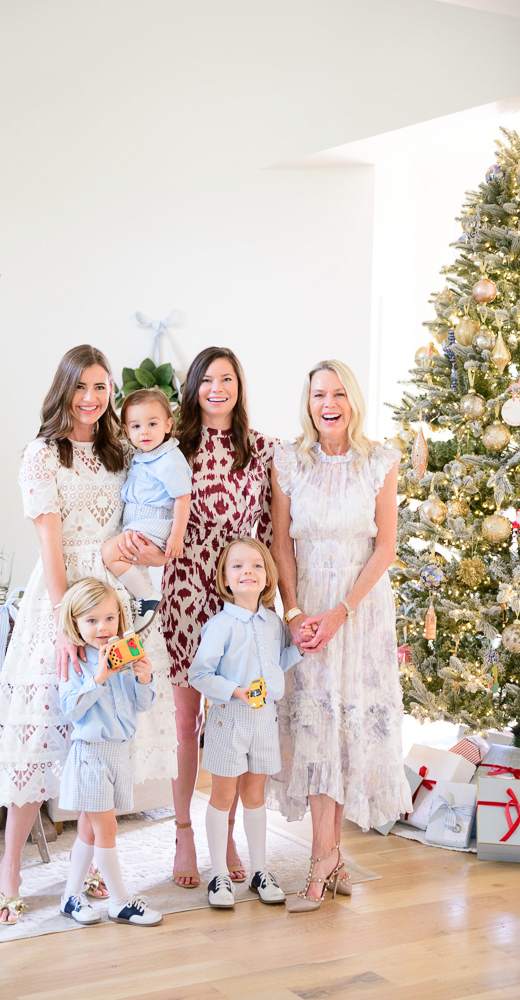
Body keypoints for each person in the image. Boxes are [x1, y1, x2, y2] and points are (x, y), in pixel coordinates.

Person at [0, 345, 176, 924]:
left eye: (101, 387)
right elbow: (51, 545)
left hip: (112, 602)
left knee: (99, 738)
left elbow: (138, 518)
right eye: (81, 387)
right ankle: (9, 872)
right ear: (63, 389)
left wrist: (136, 555)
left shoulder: (120, 453)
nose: (92, 399)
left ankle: (89, 870)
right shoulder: (42, 455)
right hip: (61, 603)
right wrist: (67, 621)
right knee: (40, 737)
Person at [267, 359, 412, 913]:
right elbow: (281, 543)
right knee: (318, 727)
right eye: (317, 395)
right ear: (308, 404)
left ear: (352, 399)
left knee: (347, 730)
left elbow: (386, 547)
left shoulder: (379, 461)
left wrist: (341, 613)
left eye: (337, 393)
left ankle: (323, 860)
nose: (327, 403)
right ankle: (328, 858)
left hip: (360, 611)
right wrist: (297, 610)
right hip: (306, 611)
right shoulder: (290, 462)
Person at [159, 347, 275, 888]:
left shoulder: (261, 450)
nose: (216, 388)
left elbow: (271, 530)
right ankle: (185, 833)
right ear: (193, 388)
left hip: (241, 596)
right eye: (206, 380)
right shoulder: (171, 446)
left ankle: (226, 833)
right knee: (188, 725)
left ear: (239, 386)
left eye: (226, 379)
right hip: (185, 594)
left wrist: (275, 605)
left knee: (235, 723)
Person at [189, 538, 302, 908]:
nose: (247, 571)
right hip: (229, 722)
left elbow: (278, 662)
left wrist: (302, 643)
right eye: (237, 566)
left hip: (265, 721)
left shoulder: (272, 624)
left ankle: (259, 870)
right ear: (225, 576)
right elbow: (199, 675)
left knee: (254, 797)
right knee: (223, 797)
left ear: (268, 575)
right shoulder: (220, 626)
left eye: (255, 565)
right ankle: (219, 875)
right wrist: (235, 691)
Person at [57, 578, 162, 927]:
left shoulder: (124, 657)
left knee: (89, 829)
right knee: (107, 828)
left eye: (109, 618)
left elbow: (142, 704)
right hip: (91, 754)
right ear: (74, 624)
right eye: (91, 621)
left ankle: (71, 897)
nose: (102, 628)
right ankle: (119, 901)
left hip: (119, 753)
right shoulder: (78, 663)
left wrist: (144, 678)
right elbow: (71, 710)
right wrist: (98, 677)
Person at [102, 387, 192, 629]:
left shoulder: (169, 459)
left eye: (152, 423)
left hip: (155, 522)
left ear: (168, 424)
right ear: (126, 430)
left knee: (110, 552)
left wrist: (177, 537)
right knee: (115, 556)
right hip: (141, 522)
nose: (145, 432)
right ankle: (138, 596)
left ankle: (146, 596)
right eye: (136, 426)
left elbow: (183, 498)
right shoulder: (144, 454)